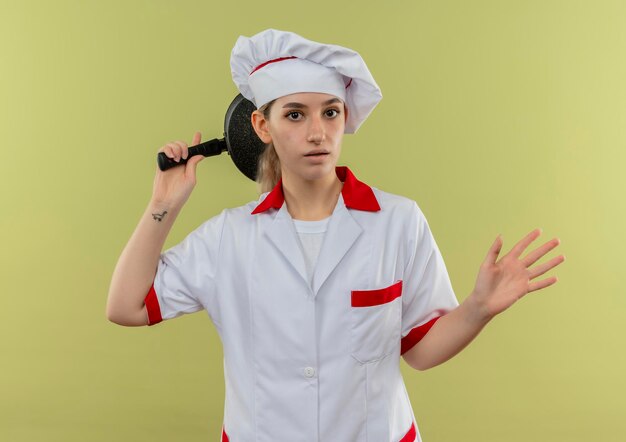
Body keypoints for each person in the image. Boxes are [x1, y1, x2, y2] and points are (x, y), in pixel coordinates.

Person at [106, 28, 565, 442]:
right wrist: (162, 204)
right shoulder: (230, 236)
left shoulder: (398, 222)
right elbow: (125, 306)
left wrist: (478, 308)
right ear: (262, 126)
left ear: (344, 117)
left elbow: (421, 352)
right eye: (294, 115)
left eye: (329, 112)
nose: (317, 133)